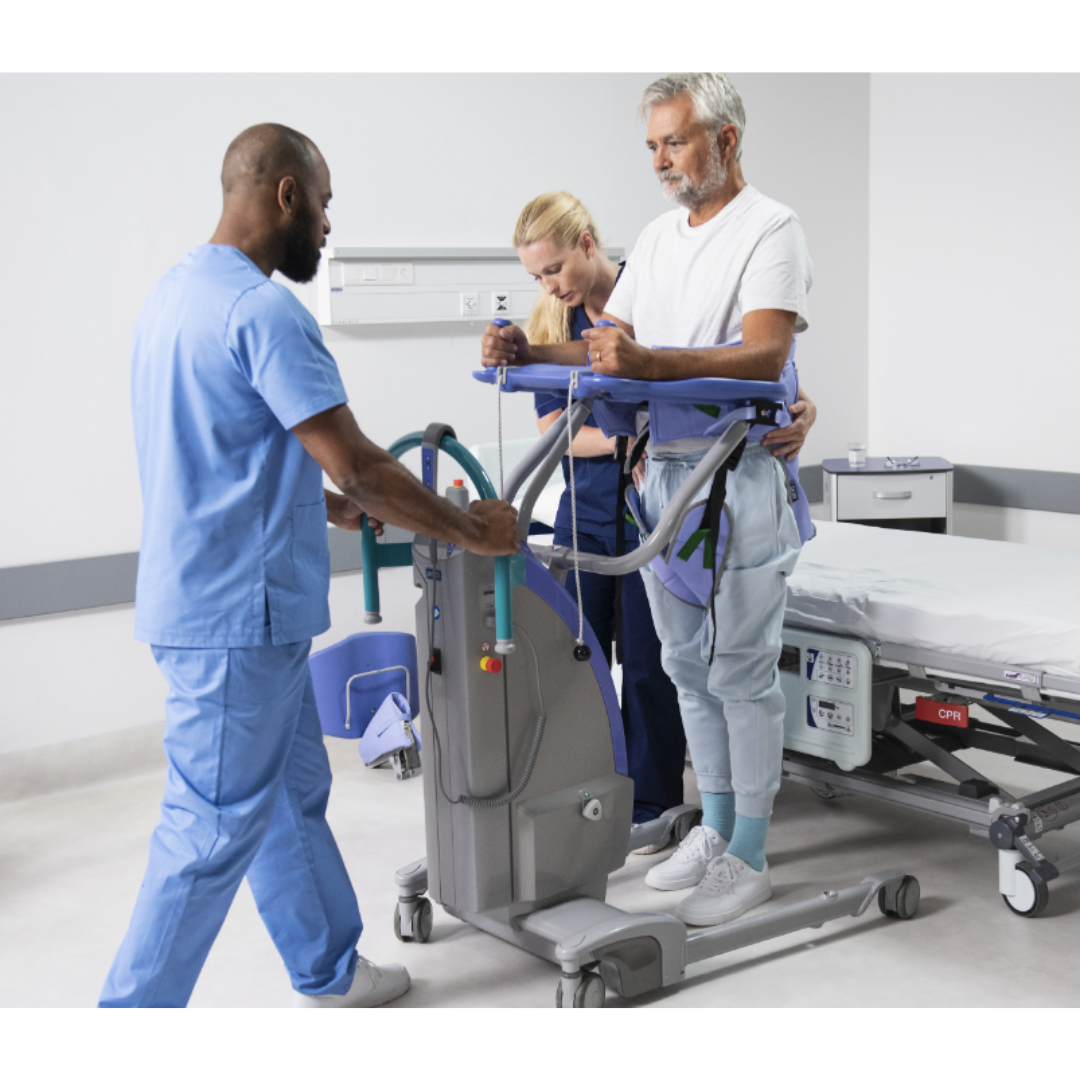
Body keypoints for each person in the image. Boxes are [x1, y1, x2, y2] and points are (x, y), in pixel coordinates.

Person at [101, 123, 519, 1008]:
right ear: (286, 194)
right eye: (324, 204)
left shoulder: (173, 298)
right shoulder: (263, 311)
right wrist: (471, 531)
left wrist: (326, 505)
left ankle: (327, 966)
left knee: (292, 795)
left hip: (220, 605)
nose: (327, 227)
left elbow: (231, 449)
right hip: (234, 622)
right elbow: (357, 464)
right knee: (209, 831)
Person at [481, 73, 812, 927]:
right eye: (654, 146)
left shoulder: (771, 228)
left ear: (726, 141)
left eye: (677, 141)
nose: (663, 160)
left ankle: (750, 850)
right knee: (683, 669)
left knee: (739, 671)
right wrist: (526, 354)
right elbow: (604, 358)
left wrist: (653, 365)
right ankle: (715, 826)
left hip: (732, 474)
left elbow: (766, 354)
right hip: (659, 477)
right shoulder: (661, 238)